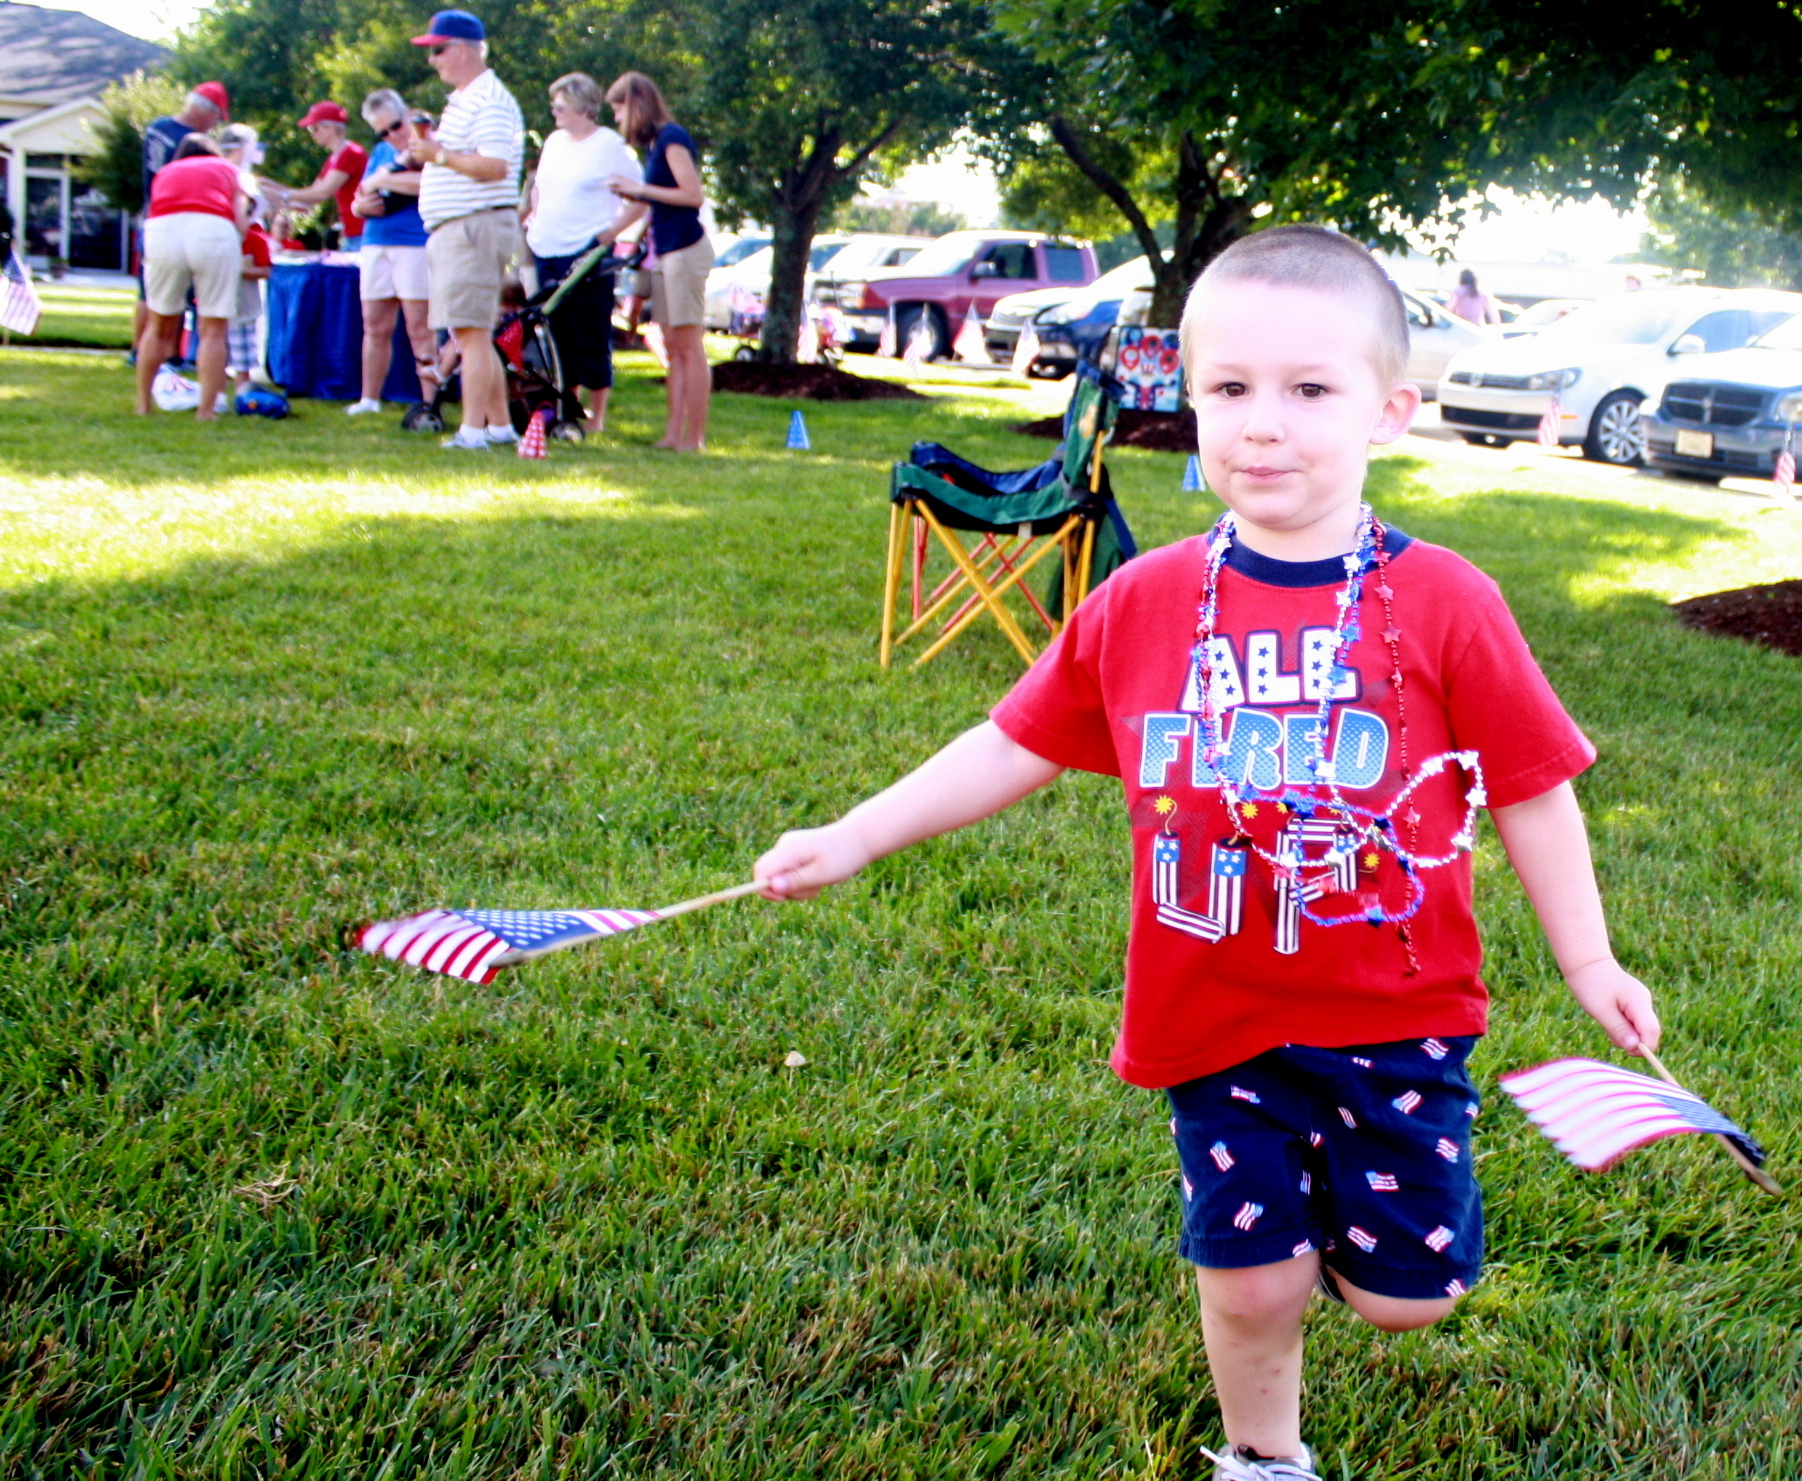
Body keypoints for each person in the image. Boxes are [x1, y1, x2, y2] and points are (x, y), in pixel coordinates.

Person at [751, 225, 1658, 1480]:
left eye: (1307, 390)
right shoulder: (1142, 599)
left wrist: (1589, 957)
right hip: (1213, 1013)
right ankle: (1262, 1453)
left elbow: (1533, 790)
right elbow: (1009, 742)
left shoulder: (1444, 599)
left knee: (1408, 1300)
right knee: (1246, 1282)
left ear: (1388, 410)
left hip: (1394, 1014)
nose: (1261, 425)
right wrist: (852, 833)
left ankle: (1358, 1239)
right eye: (1228, 389)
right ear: (1185, 398)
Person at [405, 10, 527, 451]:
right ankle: (498, 427)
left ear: (462, 49)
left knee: (471, 334)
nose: (433, 60)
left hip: (473, 226)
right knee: (472, 333)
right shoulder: (468, 99)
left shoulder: (488, 100)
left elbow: (495, 166)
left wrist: (439, 156)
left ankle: (472, 432)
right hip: (460, 226)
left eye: (437, 50)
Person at [522, 73, 644, 434]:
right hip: (546, 247)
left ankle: (598, 417)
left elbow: (639, 196)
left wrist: (609, 234)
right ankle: (565, 408)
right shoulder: (554, 141)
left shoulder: (610, 145)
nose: (554, 111)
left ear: (583, 108)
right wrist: (536, 215)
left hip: (587, 252)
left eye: (560, 105)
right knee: (556, 331)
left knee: (590, 331)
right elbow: (540, 187)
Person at [602, 72, 712, 451]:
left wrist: (640, 188)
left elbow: (692, 194)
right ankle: (671, 434)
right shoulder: (654, 146)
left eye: (618, 110)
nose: (617, 120)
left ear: (635, 105)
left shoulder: (672, 138)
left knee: (688, 344)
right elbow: (652, 202)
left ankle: (694, 438)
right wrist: (614, 231)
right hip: (663, 252)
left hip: (685, 249)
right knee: (670, 342)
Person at [134, 135, 249, 422]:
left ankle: (143, 404)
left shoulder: (165, 173)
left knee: (158, 325)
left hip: (162, 230)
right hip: (212, 228)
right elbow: (241, 218)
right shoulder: (229, 170)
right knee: (213, 328)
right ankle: (206, 411)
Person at [349, 91, 445, 431]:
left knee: (420, 328)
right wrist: (360, 206)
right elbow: (361, 195)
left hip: (415, 243)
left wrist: (381, 180)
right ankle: (369, 398)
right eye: (383, 132)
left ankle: (430, 400)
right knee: (374, 324)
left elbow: (428, 183)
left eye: (395, 125)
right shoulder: (381, 152)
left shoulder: (432, 144)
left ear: (408, 116)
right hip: (376, 241)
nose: (392, 135)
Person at [136, 82, 227, 371]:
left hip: (160, 218)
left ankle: (156, 353)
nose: (215, 124)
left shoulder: (159, 129)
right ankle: (157, 351)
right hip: (177, 219)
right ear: (204, 109)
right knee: (162, 296)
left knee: (160, 293)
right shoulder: (182, 139)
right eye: (216, 116)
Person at [214, 125, 274, 410]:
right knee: (217, 338)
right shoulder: (227, 175)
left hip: (242, 294)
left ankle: (241, 392)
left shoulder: (256, 236)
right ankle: (215, 393)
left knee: (240, 345)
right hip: (219, 275)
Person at [265, 101, 370, 253]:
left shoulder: (351, 153)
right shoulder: (335, 157)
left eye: (314, 128)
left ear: (331, 127)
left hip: (361, 233)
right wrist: (268, 188)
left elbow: (322, 192)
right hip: (352, 234)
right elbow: (313, 194)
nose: (312, 133)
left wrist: (282, 195)